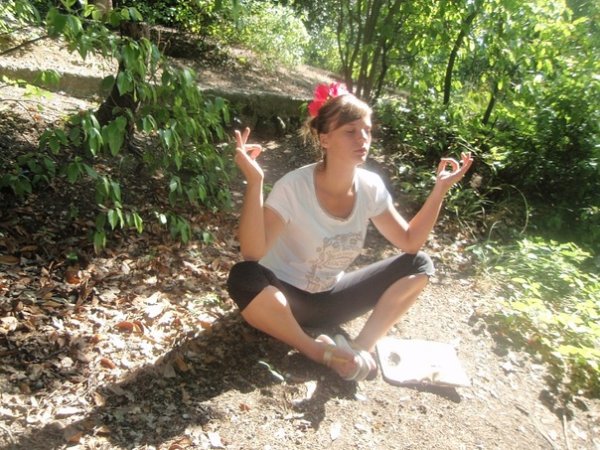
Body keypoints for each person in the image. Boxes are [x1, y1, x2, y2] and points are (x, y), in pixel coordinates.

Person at [227, 82, 473, 381]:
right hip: (285, 300)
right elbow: (253, 252)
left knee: (419, 264)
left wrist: (440, 190)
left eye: (367, 130)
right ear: (325, 139)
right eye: (350, 131)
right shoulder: (294, 187)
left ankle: (358, 350)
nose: (363, 138)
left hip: (332, 300)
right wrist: (255, 182)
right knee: (245, 276)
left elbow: (410, 242)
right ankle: (317, 351)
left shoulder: (370, 187)